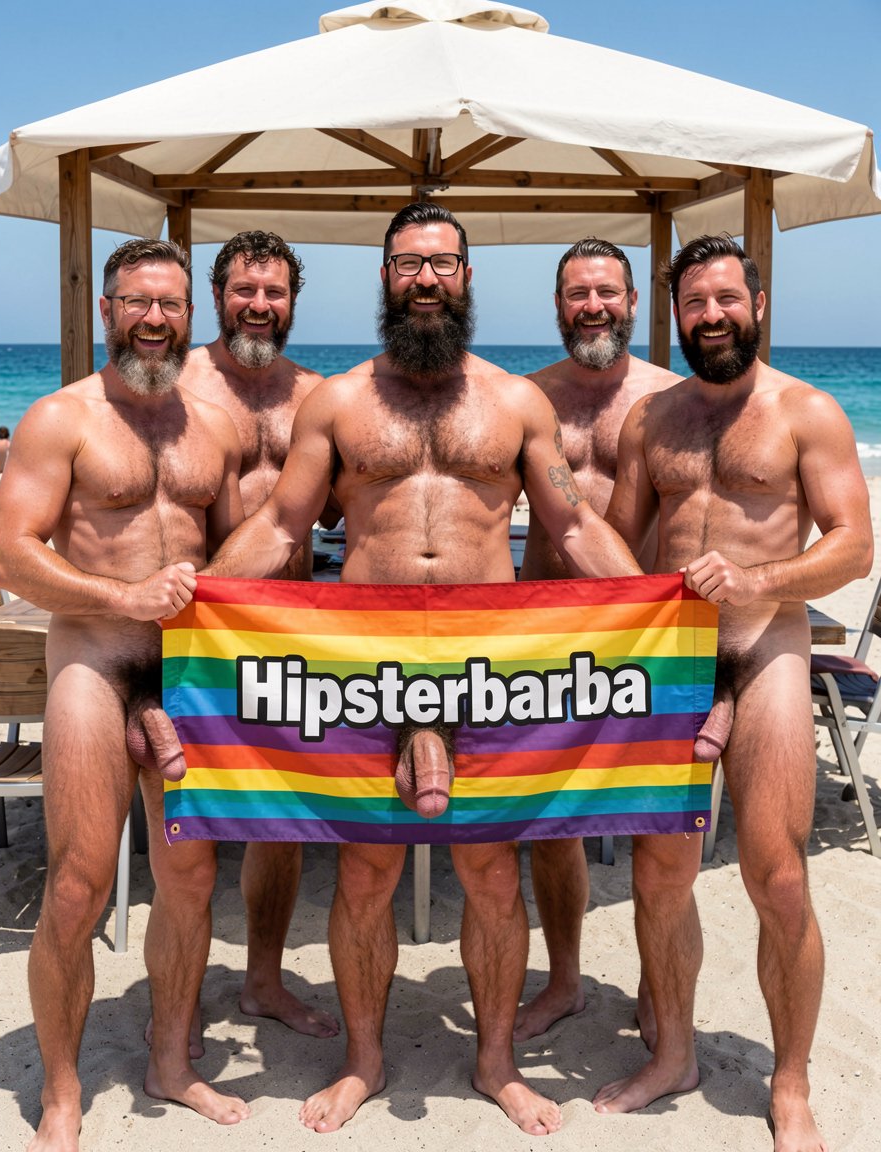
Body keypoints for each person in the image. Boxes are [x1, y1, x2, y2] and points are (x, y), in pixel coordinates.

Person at [198, 202, 643, 1135]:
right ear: (387, 279)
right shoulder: (340, 401)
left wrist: (659, 598)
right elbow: (283, 525)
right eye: (408, 267)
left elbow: (570, 523)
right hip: (364, 661)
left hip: (489, 664)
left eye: (442, 265)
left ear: (468, 277)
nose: (427, 280)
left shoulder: (518, 402)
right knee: (363, 873)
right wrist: (194, 592)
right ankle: (363, 1059)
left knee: (490, 874)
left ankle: (494, 1064)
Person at [597, 234, 872, 1152]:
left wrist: (761, 581)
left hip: (766, 651)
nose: (710, 315)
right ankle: (671, 1050)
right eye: (694, 303)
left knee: (777, 874)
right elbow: (618, 546)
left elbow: (853, 545)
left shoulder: (809, 411)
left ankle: (788, 1082)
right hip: (670, 665)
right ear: (674, 315)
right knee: (659, 873)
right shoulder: (650, 421)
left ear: (759, 305)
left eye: (726, 298)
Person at [0, 238, 249, 1151]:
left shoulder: (214, 427)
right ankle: (61, 1092)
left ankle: (170, 1061)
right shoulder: (62, 418)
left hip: (186, 679)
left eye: (171, 305)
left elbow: (232, 557)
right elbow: (12, 551)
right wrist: (122, 599)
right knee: (77, 885)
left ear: (190, 316)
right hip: (94, 667)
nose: (153, 319)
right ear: (107, 311)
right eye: (137, 302)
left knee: (190, 882)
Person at [515, 238, 680, 1043]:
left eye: (606, 291)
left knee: (657, 826)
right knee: (553, 823)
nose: (593, 306)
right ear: (557, 305)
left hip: (644, 639)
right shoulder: (527, 400)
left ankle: (657, 985)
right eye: (577, 292)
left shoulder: (671, 401)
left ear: (632, 303)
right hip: (545, 634)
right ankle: (565, 978)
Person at [175, 231, 339, 1042]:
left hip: (290, 631)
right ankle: (180, 999)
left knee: (282, 823)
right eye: (245, 290)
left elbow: (343, 505)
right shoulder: (178, 383)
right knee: (192, 831)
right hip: (198, 634)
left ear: (293, 302)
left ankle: (264, 980)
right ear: (217, 296)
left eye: (274, 292)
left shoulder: (316, 395)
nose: (260, 305)